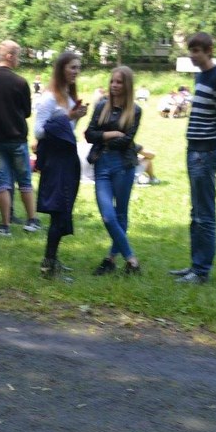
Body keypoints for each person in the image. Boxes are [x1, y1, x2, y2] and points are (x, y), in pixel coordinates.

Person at [170, 32, 216, 284]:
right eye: (191, 50)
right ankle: (195, 266)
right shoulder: (200, 77)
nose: (192, 55)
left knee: (204, 213)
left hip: (206, 152)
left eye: (197, 51)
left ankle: (201, 271)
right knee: (196, 211)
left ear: (209, 51)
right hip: (194, 149)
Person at [33, 52, 88, 281]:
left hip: (67, 157)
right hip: (55, 160)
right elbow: (38, 131)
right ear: (61, 69)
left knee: (63, 208)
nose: (76, 72)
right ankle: (48, 265)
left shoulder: (67, 94)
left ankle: (52, 259)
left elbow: (68, 129)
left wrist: (76, 117)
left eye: (78, 68)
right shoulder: (49, 98)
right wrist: (69, 116)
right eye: (72, 67)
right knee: (58, 209)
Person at [84, 66, 143, 276]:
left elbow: (127, 141)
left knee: (121, 214)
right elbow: (89, 135)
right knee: (108, 216)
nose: (114, 85)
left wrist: (103, 136)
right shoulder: (101, 106)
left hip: (123, 165)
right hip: (102, 163)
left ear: (127, 85)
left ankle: (110, 259)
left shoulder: (135, 110)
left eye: (119, 82)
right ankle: (131, 259)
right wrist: (110, 134)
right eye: (112, 81)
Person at [0, 40, 41, 237]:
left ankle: (4, 225)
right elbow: (27, 112)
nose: (19, 60)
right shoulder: (20, 82)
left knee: (3, 182)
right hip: (16, 138)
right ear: (10, 56)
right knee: (24, 181)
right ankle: (32, 220)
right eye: (18, 56)